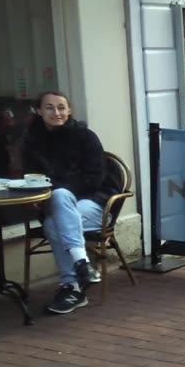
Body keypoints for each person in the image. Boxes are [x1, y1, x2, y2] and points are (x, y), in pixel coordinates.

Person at [23, 91, 118, 315]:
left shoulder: (86, 137)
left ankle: (71, 286)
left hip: (94, 203)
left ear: (69, 110)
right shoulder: (33, 141)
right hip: (58, 207)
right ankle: (82, 265)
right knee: (56, 210)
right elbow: (31, 177)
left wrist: (61, 192)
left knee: (54, 218)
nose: (56, 112)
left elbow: (94, 179)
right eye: (49, 107)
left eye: (61, 107)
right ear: (39, 111)